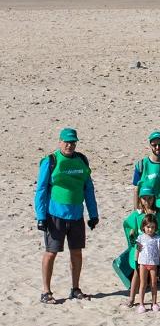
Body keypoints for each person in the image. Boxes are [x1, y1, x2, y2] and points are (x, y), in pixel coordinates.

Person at [35, 128, 99, 305]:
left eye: (73, 142)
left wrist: (93, 214)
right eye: (66, 142)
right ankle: (46, 291)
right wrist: (40, 216)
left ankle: (75, 288)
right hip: (55, 215)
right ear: (60, 141)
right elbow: (41, 189)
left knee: (76, 253)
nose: (70, 145)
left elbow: (88, 189)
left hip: (77, 215)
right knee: (51, 253)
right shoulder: (51, 161)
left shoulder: (81, 160)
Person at [134, 214, 160, 313]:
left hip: (154, 264)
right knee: (143, 283)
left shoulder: (158, 238)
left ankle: (154, 303)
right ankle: (141, 304)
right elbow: (137, 250)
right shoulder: (140, 238)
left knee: (154, 283)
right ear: (143, 227)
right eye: (148, 227)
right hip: (143, 263)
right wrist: (135, 261)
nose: (150, 229)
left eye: (152, 227)